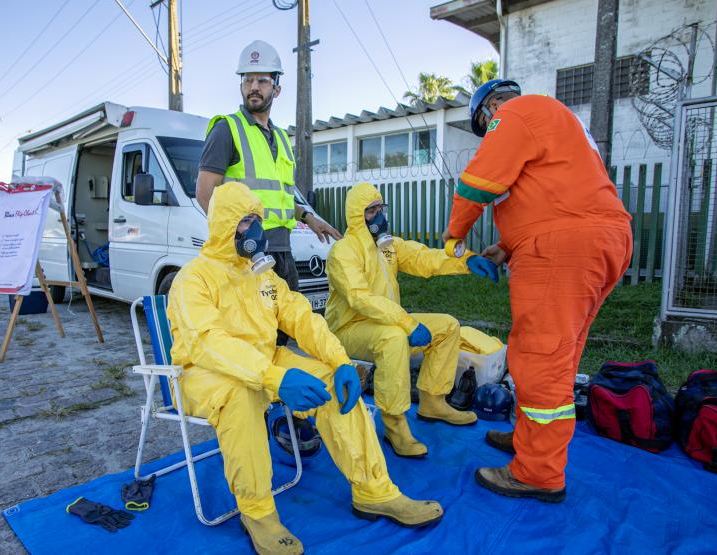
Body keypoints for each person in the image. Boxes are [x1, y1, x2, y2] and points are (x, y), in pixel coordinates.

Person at [168, 182, 443, 554]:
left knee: (333, 382)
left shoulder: (263, 275)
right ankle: (258, 513)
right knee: (240, 394)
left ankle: (374, 490)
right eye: (247, 221)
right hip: (204, 373)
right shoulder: (193, 278)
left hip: (265, 363)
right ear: (224, 224)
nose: (257, 231)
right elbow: (207, 343)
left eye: (258, 220)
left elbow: (301, 318)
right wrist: (274, 376)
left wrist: (340, 360)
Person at [443, 79, 633, 502]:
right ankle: (532, 443)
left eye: (483, 122)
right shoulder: (561, 122)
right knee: (558, 356)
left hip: (563, 248)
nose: (489, 126)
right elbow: (558, 197)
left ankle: (538, 473)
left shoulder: (514, 113)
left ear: (490, 106)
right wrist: (507, 246)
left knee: (538, 357)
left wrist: (454, 236)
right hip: (601, 240)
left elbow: (478, 181)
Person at [324, 182, 499, 459]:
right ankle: (394, 423)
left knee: (448, 326)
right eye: (371, 211)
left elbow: (423, 258)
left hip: (388, 323)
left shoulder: (387, 247)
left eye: (381, 209)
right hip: (348, 329)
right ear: (357, 215)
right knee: (393, 340)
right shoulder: (344, 251)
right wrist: (407, 324)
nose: (379, 216)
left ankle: (433, 400)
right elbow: (360, 299)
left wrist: (466, 261)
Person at [195, 40, 341, 347]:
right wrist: (238, 242)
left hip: (282, 251)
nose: (253, 87)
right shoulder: (227, 129)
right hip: (247, 254)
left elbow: (284, 194)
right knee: (254, 337)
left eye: (262, 80)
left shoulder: (281, 139)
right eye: (247, 80)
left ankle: (276, 393)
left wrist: (309, 217)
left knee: (283, 333)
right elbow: (205, 194)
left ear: (276, 88)